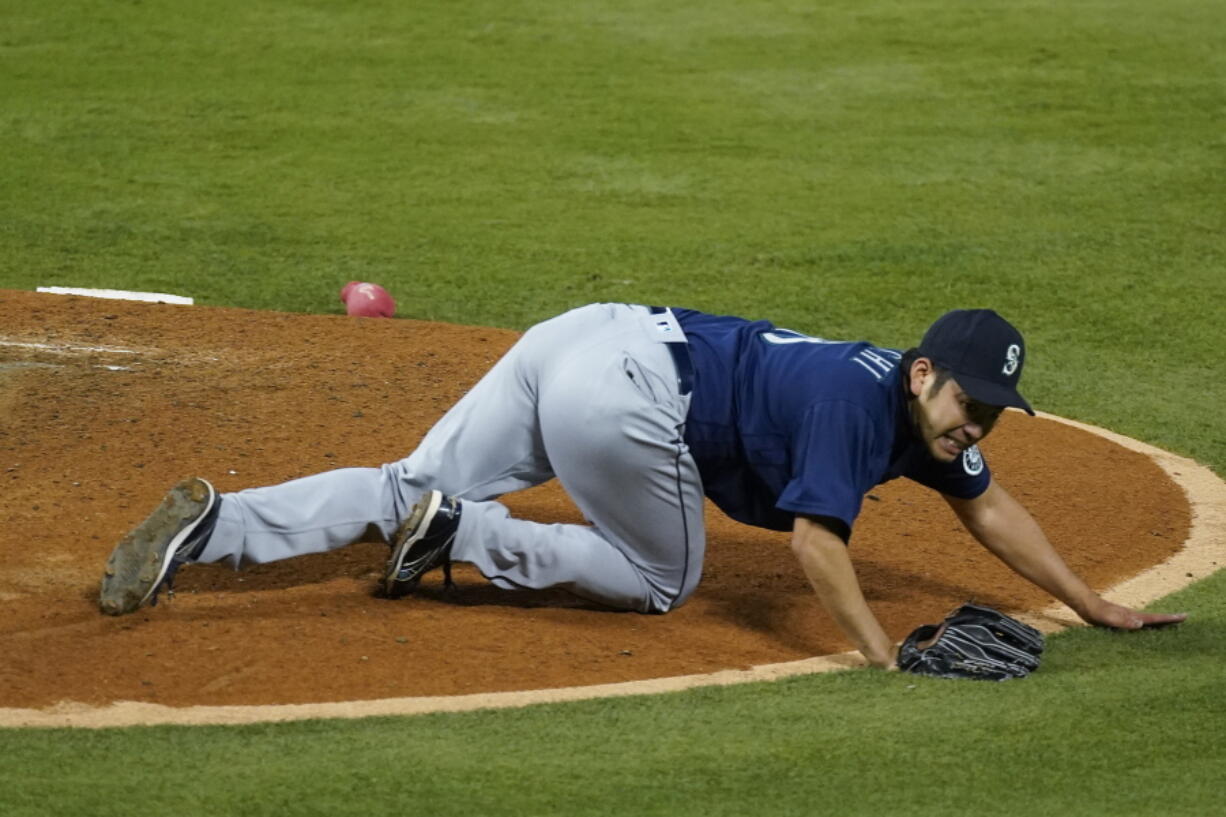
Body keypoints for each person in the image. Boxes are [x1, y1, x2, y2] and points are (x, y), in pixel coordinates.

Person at [99, 303, 1186, 667]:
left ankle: (218, 526)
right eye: (967, 405)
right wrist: (878, 653)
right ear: (920, 374)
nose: (975, 426)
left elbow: (988, 500)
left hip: (583, 337)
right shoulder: (857, 408)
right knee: (664, 577)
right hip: (625, 394)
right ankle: (465, 533)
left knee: (405, 479)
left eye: (991, 412)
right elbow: (816, 545)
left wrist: (1091, 601)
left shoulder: (923, 417)